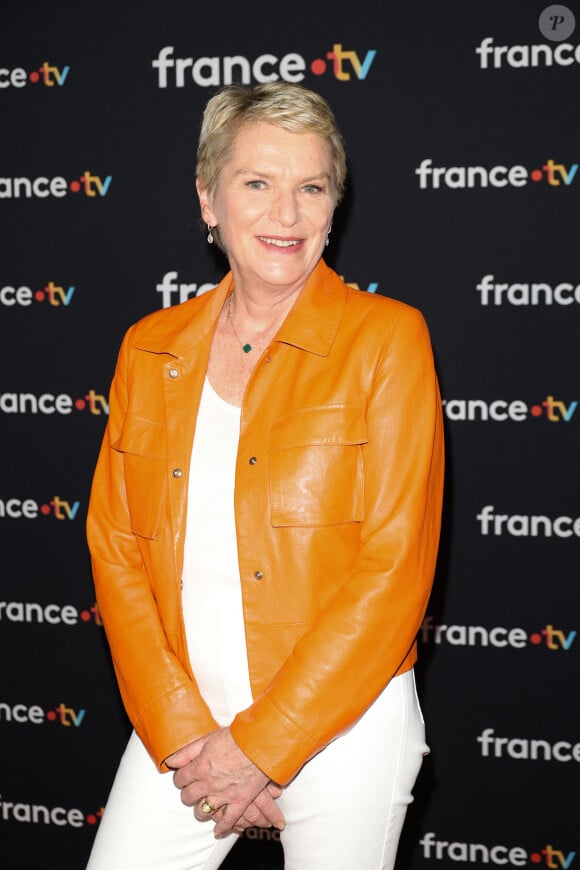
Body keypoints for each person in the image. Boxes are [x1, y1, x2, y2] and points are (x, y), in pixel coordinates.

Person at [85, 81, 444, 870]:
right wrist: (187, 738)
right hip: (180, 730)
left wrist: (261, 747)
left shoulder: (387, 341)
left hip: (347, 730)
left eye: (311, 187)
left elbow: (394, 575)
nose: (287, 214)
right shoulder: (148, 348)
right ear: (208, 199)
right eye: (257, 183)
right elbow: (115, 548)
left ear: (332, 207)